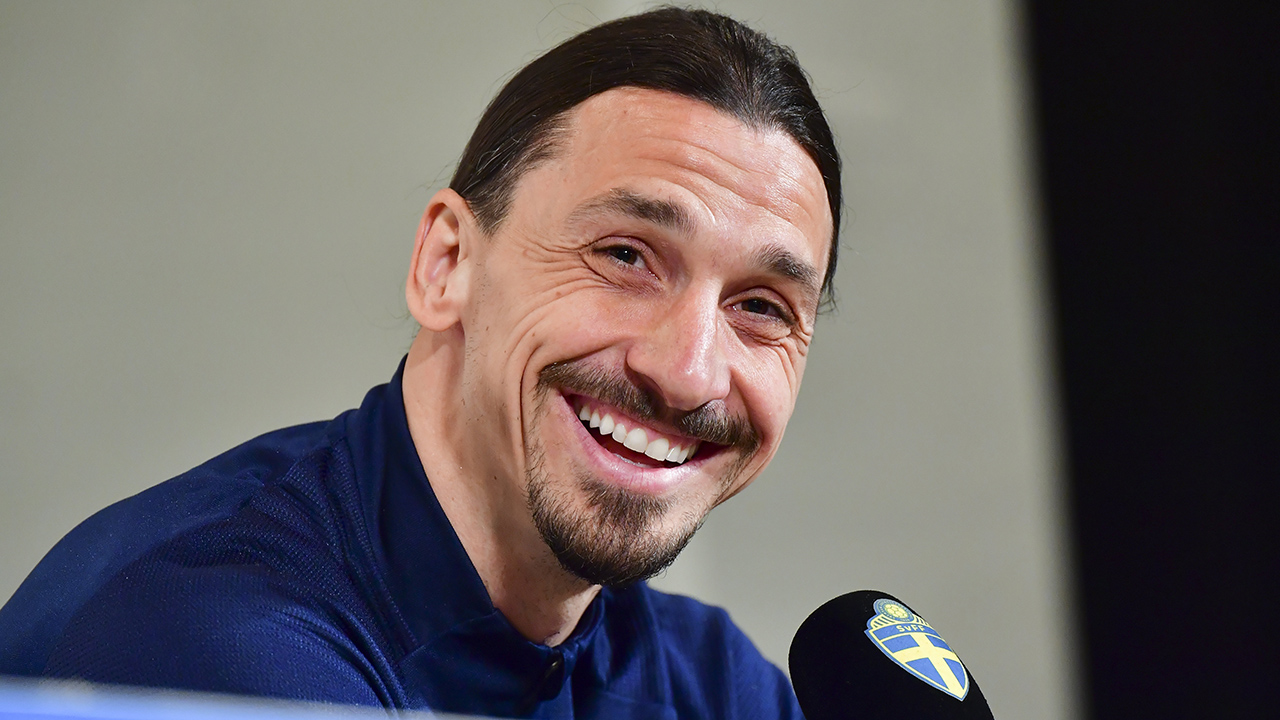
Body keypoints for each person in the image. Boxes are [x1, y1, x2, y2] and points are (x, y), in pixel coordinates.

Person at [0, 7, 841, 718]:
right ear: (447, 265)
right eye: (625, 256)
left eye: (761, 307)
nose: (690, 373)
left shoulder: (710, 684)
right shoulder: (211, 642)